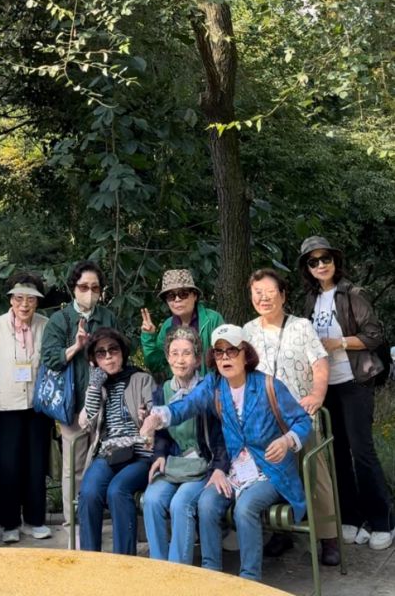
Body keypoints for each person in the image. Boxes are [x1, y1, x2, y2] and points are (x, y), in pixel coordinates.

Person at [143, 324, 312, 583]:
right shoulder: (214, 385)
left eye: (232, 351)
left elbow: (302, 421)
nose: (225, 357)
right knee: (206, 503)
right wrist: (157, 417)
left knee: (245, 508)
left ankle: (248, 580)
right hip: (235, 471)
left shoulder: (268, 385)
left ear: (246, 354)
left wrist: (287, 441)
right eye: (219, 352)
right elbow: (185, 406)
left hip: (270, 470)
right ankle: (211, 575)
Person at [300, 234, 394, 550]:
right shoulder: (310, 299)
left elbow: (374, 335)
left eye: (325, 258)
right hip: (326, 385)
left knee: (362, 451)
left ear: (335, 261)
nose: (321, 265)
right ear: (307, 268)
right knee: (337, 452)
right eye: (313, 261)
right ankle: (351, 518)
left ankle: (382, 520)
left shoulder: (353, 294)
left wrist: (338, 343)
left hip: (355, 381)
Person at [243, 267, 338, 566]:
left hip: (300, 416)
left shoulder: (301, 327)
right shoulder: (247, 331)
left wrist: (318, 394)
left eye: (270, 292)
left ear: (283, 295)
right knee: (273, 475)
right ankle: (282, 533)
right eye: (258, 293)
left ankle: (328, 537)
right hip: (265, 422)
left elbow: (320, 363)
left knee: (315, 474)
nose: (264, 298)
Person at [40, 260, 119, 525]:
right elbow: (50, 358)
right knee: (73, 467)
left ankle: (95, 515)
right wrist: (75, 347)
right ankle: (73, 523)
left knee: (103, 462)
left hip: (105, 403)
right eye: (84, 287)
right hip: (72, 405)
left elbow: (120, 353)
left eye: (95, 288)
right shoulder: (60, 320)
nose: (89, 292)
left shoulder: (107, 317)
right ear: (73, 288)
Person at [143, 326, 228, 564]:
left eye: (187, 353)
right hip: (174, 464)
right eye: (175, 353)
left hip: (203, 465)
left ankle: (178, 571)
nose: (180, 360)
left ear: (198, 359)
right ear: (168, 357)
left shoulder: (208, 390)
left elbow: (221, 435)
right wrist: (159, 454)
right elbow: (162, 433)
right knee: (151, 499)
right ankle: (159, 567)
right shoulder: (162, 391)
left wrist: (219, 467)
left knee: (181, 504)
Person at [0, 272, 52, 543]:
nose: (24, 304)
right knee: (8, 465)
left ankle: (35, 520)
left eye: (30, 299)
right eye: (19, 298)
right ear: (11, 300)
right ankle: (9, 523)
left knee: (36, 463)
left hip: (38, 404)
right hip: (6, 404)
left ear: (37, 302)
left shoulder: (45, 325)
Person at [77, 328, 154, 555]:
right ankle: (91, 559)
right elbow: (87, 421)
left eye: (113, 350)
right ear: (94, 360)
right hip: (109, 453)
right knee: (89, 493)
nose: (109, 357)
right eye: (101, 353)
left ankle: (124, 561)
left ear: (122, 353)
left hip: (139, 454)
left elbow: (156, 412)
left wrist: (146, 416)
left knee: (117, 490)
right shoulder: (98, 385)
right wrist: (94, 386)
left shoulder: (141, 379)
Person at [140, 268, 223, 377]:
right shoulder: (167, 326)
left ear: (194, 296)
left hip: (211, 385)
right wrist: (148, 337)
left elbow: (224, 357)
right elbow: (155, 364)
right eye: (171, 296)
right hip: (178, 386)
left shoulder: (212, 319)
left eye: (183, 294)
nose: (177, 299)